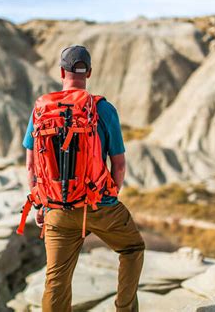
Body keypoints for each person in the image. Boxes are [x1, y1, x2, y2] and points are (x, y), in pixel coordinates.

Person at [22, 45, 145, 312]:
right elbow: (119, 165)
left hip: (56, 207)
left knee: (56, 281)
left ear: (61, 72)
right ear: (88, 72)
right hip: (99, 203)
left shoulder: (40, 110)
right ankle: (125, 309)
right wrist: (108, 196)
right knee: (133, 248)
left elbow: (31, 165)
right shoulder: (103, 109)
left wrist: (41, 203)